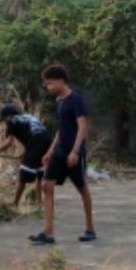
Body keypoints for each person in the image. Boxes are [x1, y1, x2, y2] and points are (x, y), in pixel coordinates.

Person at [30, 65, 96, 245]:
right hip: (59, 152)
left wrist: (75, 151)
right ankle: (48, 232)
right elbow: (61, 130)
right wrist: (49, 152)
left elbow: (82, 127)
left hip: (74, 153)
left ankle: (90, 228)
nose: (48, 87)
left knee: (82, 189)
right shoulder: (59, 101)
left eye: (50, 83)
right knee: (46, 185)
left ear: (61, 80)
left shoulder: (76, 99)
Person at [0, 104, 52, 206]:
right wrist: (25, 153)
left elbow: (9, 143)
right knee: (40, 173)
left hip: (36, 142)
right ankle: (39, 201)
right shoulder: (28, 117)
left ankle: (15, 203)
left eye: (4, 118)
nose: (4, 122)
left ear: (9, 115)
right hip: (47, 142)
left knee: (23, 173)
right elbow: (35, 134)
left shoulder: (12, 121)